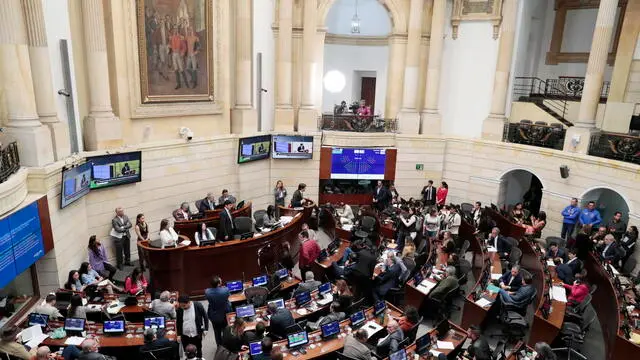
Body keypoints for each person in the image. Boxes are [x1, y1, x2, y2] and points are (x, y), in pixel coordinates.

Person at [205, 276, 231, 345]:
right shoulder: (225, 290)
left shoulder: (207, 292)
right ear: (219, 284)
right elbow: (227, 293)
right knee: (226, 331)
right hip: (225, 315)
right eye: (221, 281)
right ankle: (227, 345)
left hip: (214, 316)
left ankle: (219, 347)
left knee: (217, 333)